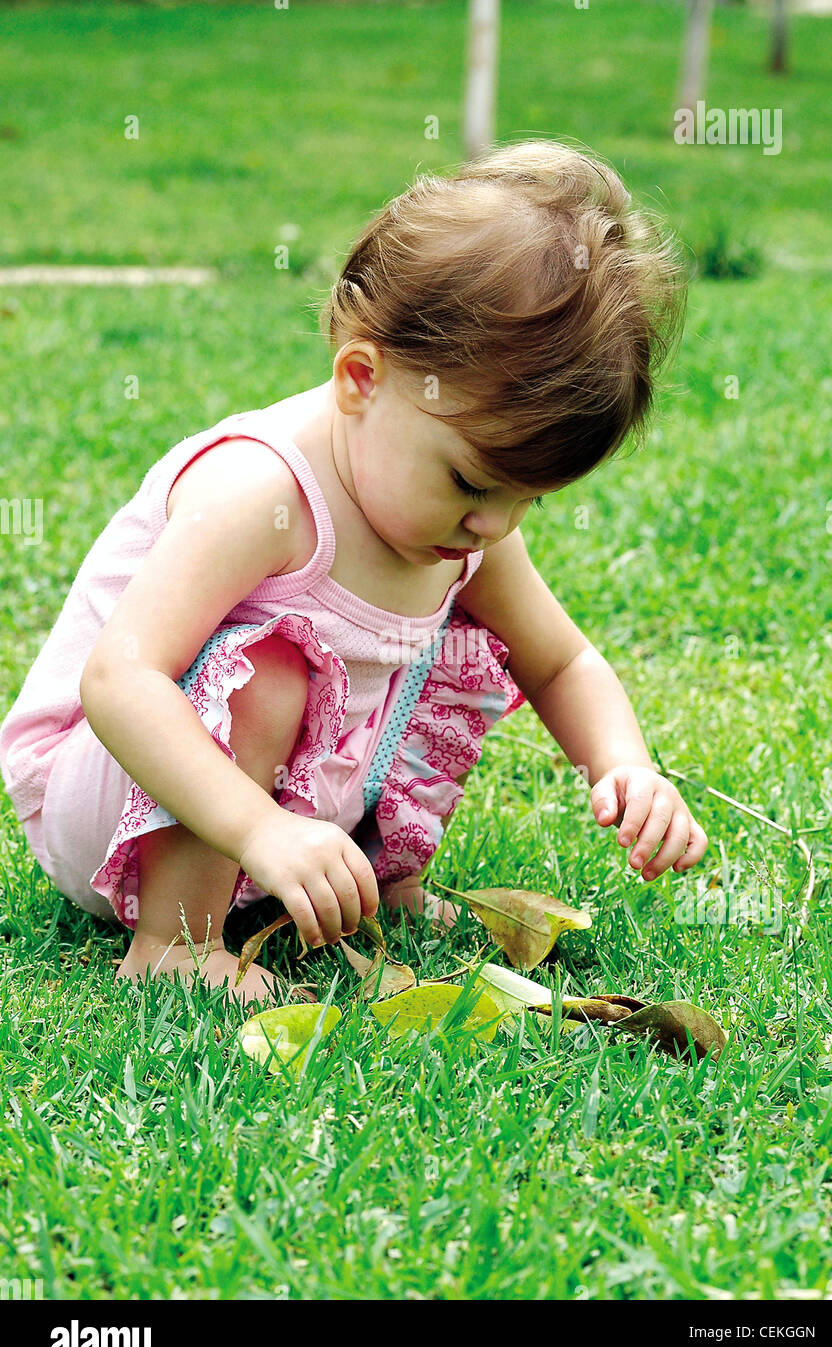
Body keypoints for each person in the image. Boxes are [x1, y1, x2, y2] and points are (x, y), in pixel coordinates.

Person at [0, 138, 708, 1005]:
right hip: (116, 799)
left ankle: (370, 879)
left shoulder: (464, 523)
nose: (494, 526)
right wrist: (258, 827)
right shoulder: (261, 494)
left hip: (264, 827)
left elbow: (560, 660)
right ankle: (174, 942)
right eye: (472, 483)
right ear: (361, 379)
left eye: (530, 499)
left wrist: (624, 765)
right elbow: (120, 681)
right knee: (274, 668)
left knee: (434, 657)